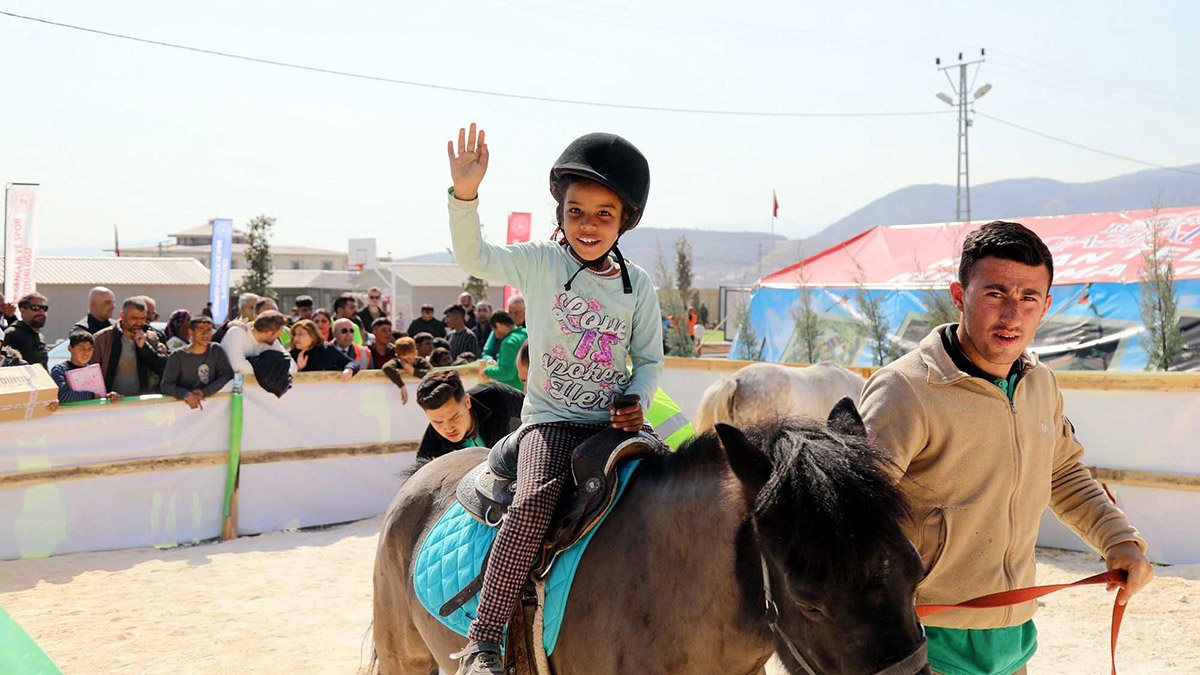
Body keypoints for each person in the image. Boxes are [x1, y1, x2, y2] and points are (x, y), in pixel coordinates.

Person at [859, 221, 1153, 675]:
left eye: (1029, 298)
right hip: (922, 638)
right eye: (995, 294)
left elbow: (1064, 475)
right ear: (959, 296)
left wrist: (1119, 540)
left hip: (1014, 634)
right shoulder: (904, 389)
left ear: (1046, 305)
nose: (1013, 315)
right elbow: (852, 513)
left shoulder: (1041, 384)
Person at [444, 124, 663, 673]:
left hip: (615, 427)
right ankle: (483, 637)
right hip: (552, 423)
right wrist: (465, 194)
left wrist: (637, 396)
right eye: (576, 212)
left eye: (603, 214)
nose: (588, 225)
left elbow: (651, 360)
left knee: (677, 487)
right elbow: (475, 256)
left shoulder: (639, 287)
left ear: (624, 220)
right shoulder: (541, 262)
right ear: (560, 214)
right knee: (533, 503)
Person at [415, 369, 524, 462]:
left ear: (467, 401)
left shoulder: (496, 396)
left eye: (454, 417)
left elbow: (535, 410)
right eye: (437, 422)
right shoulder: (429, 453)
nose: (448, 428)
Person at [91, 297, 169, 396]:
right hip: (112, 403)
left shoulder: (151, 337)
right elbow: (91, 374)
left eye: (142, 318)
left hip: (142, 403)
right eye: (134, 318)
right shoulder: (103, 338)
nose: (139, 323)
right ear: (122, 316)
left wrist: (145, 347)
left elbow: (165, 369)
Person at [160, 316, 234, 409]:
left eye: (209, 330)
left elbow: (226, 375)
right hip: (182, 408)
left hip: (212, 407)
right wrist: (187, 395)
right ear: (191, 332)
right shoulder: (178, 355)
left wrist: (204, 392)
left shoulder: (215, 350)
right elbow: (166, 385)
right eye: (201, 330)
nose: (205, 334)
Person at [49, 332, 123, 403]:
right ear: (70, 348)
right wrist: (91, 395)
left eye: (90, 349)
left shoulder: (93, 371)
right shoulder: (60, 370)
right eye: (81, 348)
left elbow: (100, 395)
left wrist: (109, 397)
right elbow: (62, 396)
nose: (86, 353)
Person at [220, 310, 296, 376]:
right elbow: (238, 367)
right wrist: (272, 369)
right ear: (268, 332)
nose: (279, 335)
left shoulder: (272, 341)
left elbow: (291, 364)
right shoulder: (237, 332)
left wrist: (279, 372)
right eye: (279, 332)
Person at [290, 319, 358, 381]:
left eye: (300, 334)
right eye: (294, 334)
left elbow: (353, 363)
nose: (296, 338)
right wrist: (298, 368)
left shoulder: (327, 349)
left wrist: (349, 369)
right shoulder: (290, 355)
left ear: (313, 336)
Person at [3, 293, 50, 369]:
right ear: (22, 310)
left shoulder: (39, 336)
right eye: (35, 307)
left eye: (44, 308)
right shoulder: (12, 334)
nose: (41, 312)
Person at [481, 311, 526, 391]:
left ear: (498, 325)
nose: (496, 336)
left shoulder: (509, 342)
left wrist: (487, 371)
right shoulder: (526, 334)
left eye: (495, 331)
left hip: (512, 393)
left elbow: (507, 372)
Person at [381, 336, 432, 404]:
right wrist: (401, 386)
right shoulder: (396, 362)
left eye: (410, 358)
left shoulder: (421, 361)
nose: (408, 361)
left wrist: (413, 371)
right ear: (397, 356)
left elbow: (431, 374)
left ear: (416, 353)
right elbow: (387, 367)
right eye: (404, 359)